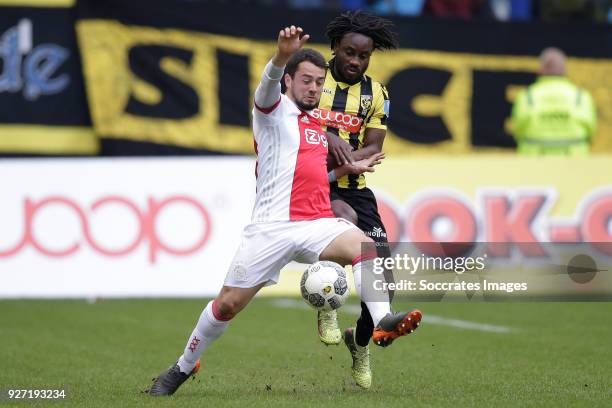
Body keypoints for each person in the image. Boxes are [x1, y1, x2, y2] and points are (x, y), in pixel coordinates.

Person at [148, 25, 422, 397]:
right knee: (226, 306)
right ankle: (183, 365)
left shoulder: (314, 125)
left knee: (365, 247)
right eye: (306, 81)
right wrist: (280, 56)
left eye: (318, 82)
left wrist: (346, 170)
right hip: (270, 230)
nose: (313, 88)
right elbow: (266, 85)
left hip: (315, 223)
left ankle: (380, 320)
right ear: (289, 82)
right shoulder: (272, 111)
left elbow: (315, 174)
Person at [314, 11, 418, 390]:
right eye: (349, 53)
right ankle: (326, 303)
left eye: (364, 55)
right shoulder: (311, 77)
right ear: (335, 48)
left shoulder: (377, 94)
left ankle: (359, 344)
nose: (356, 61)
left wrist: (352, 157)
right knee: (344, 222)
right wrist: (329, 137)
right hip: (312, 184)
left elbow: (373, 147)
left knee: (384, 287)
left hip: (356, 187)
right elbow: (291, 119)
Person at [511, 47, 597, 155]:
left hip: (533, 163)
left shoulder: (527, 96)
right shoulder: (581, 96)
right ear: (564, 69)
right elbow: (591, 131)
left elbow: (517, 130)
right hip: (575, 164)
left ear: (540, 69)